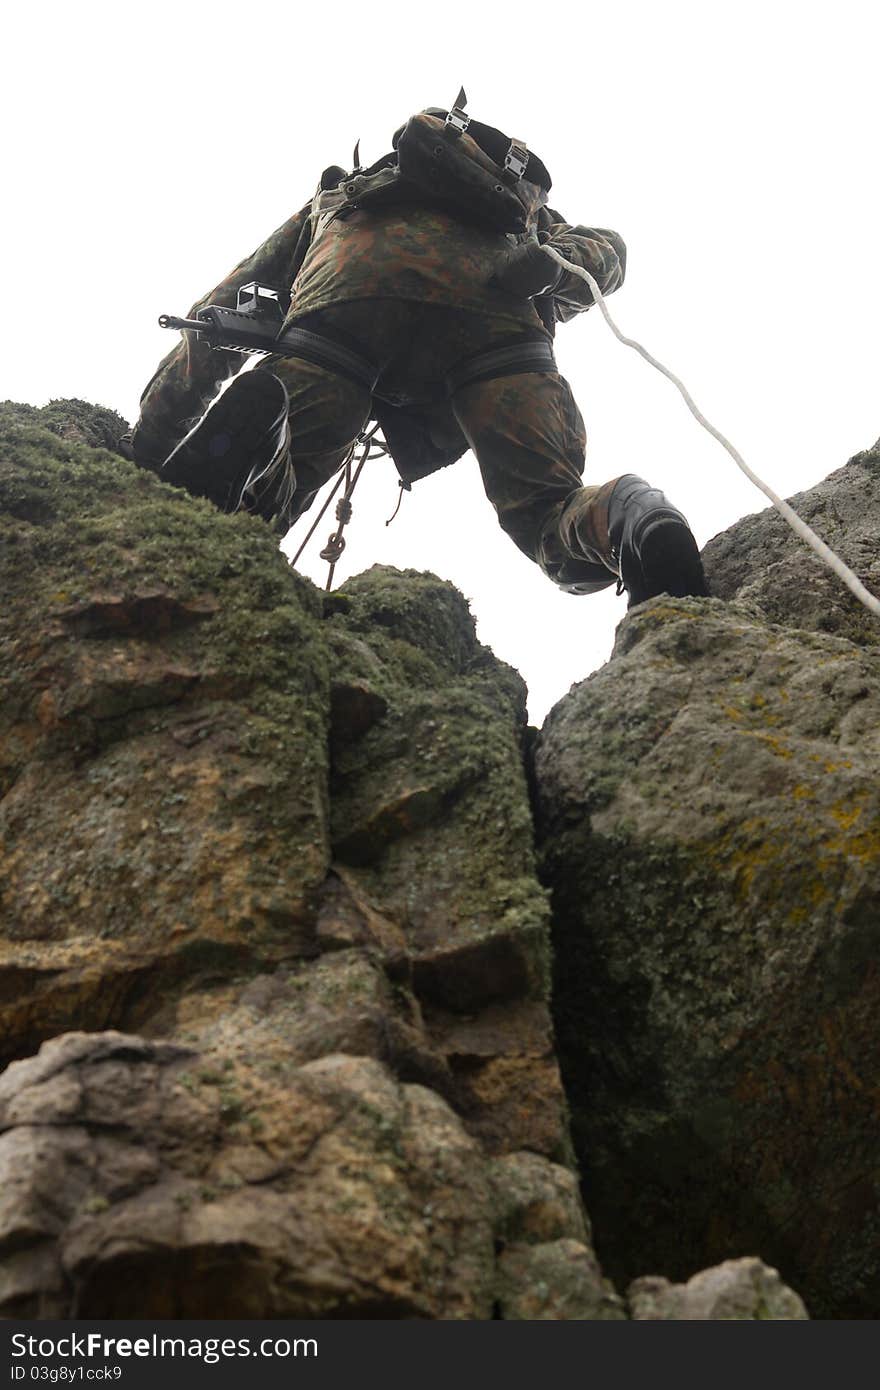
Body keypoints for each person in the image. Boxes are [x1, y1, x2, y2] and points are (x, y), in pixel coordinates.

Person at [128, 96, 707, 607]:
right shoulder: (520, 217)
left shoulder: (349, 197)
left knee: (279, 478)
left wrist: (150, 445)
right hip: (499, 325)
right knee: (546, 511)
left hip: (347, 302)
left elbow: (220, 307)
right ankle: (629, 514)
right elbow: (608, 253)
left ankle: (264, 436)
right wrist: (544, 273)